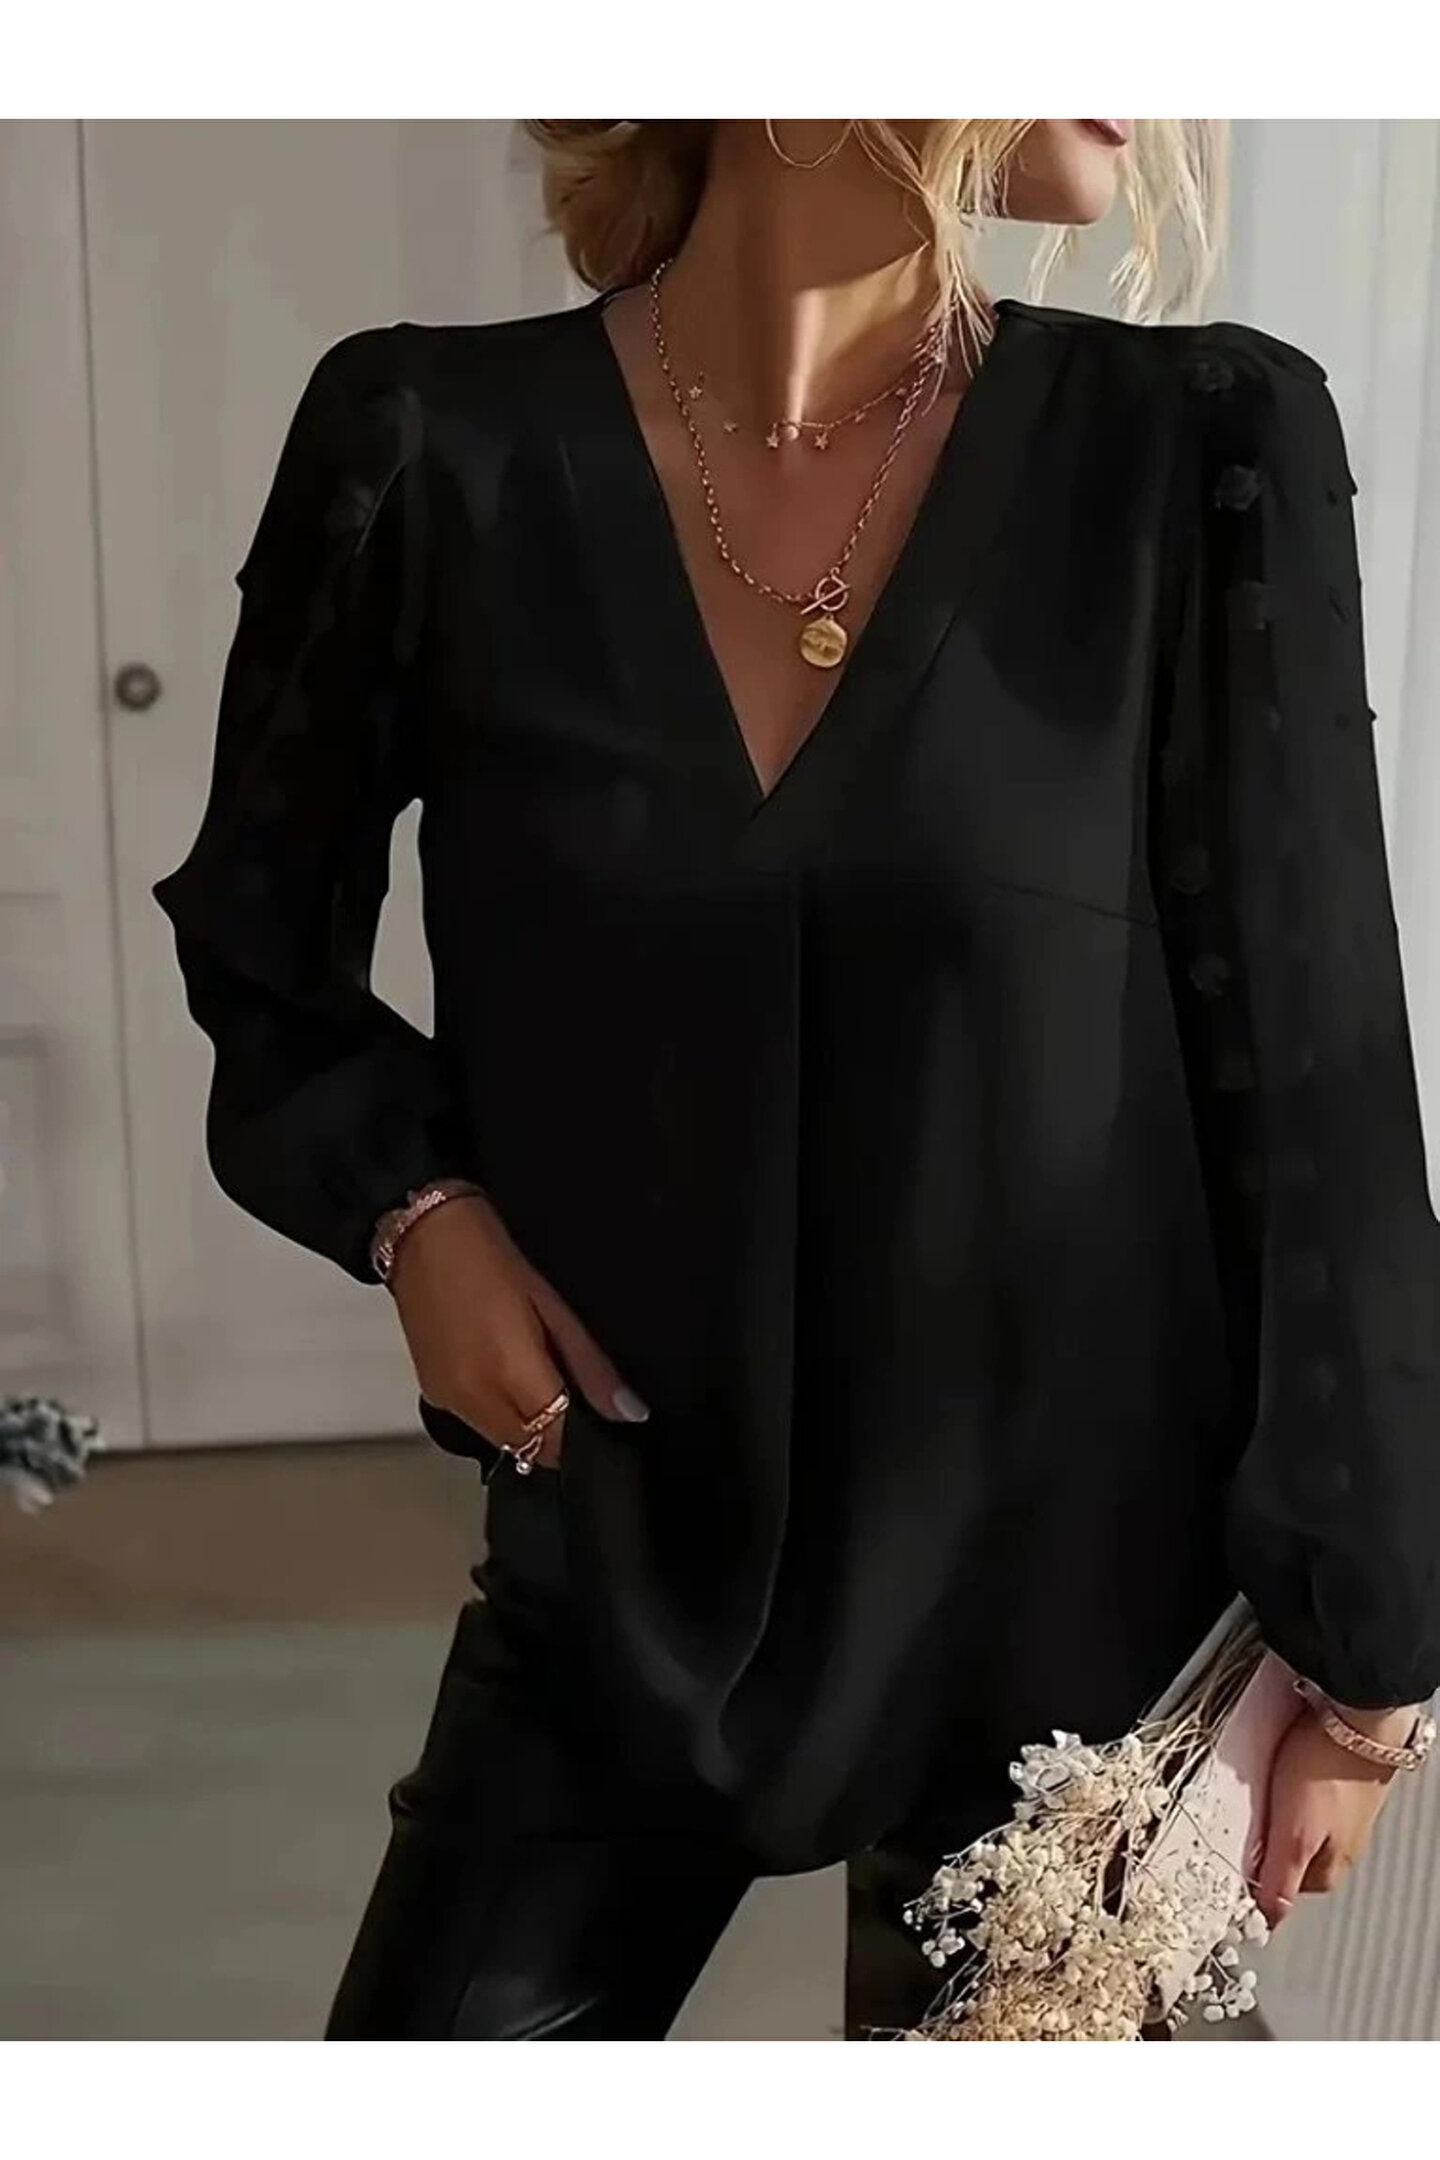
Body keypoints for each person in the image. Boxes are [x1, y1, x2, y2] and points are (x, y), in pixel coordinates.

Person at [153, 120, 1440, 2041]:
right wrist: (409, 1210)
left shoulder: (1198, 451)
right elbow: (257, 947)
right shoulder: (428, 449)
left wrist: (1367, 1640)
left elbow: (1323, 1072)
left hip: (1072, 1664)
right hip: (616, 1588)